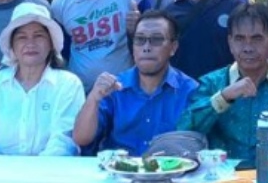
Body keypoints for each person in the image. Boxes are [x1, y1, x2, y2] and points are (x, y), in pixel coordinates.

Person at [178, 3, 268, 168]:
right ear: (230, 43)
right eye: (240, 39)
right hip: (221, 181)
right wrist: (224, 97)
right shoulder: (211, 84)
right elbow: (184, 130)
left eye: (256, 39)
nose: (248, 48)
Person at [72, 10, 196, 155]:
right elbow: (81, 139)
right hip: (119, 172)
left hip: (170, 173)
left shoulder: (190, 91)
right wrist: (93, 99)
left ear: (173, 48)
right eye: (140, 39)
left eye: (156, 39)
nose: (147, 47)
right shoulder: (113, 88)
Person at [0, 5, 82, 157]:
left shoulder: (68, 84)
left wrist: (32, 174)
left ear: (51, 43)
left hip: (51, 174)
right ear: (12, 46)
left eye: (39, 36)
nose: (30, 43)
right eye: (21, 37)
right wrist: (0, 170)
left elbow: (64, 141)